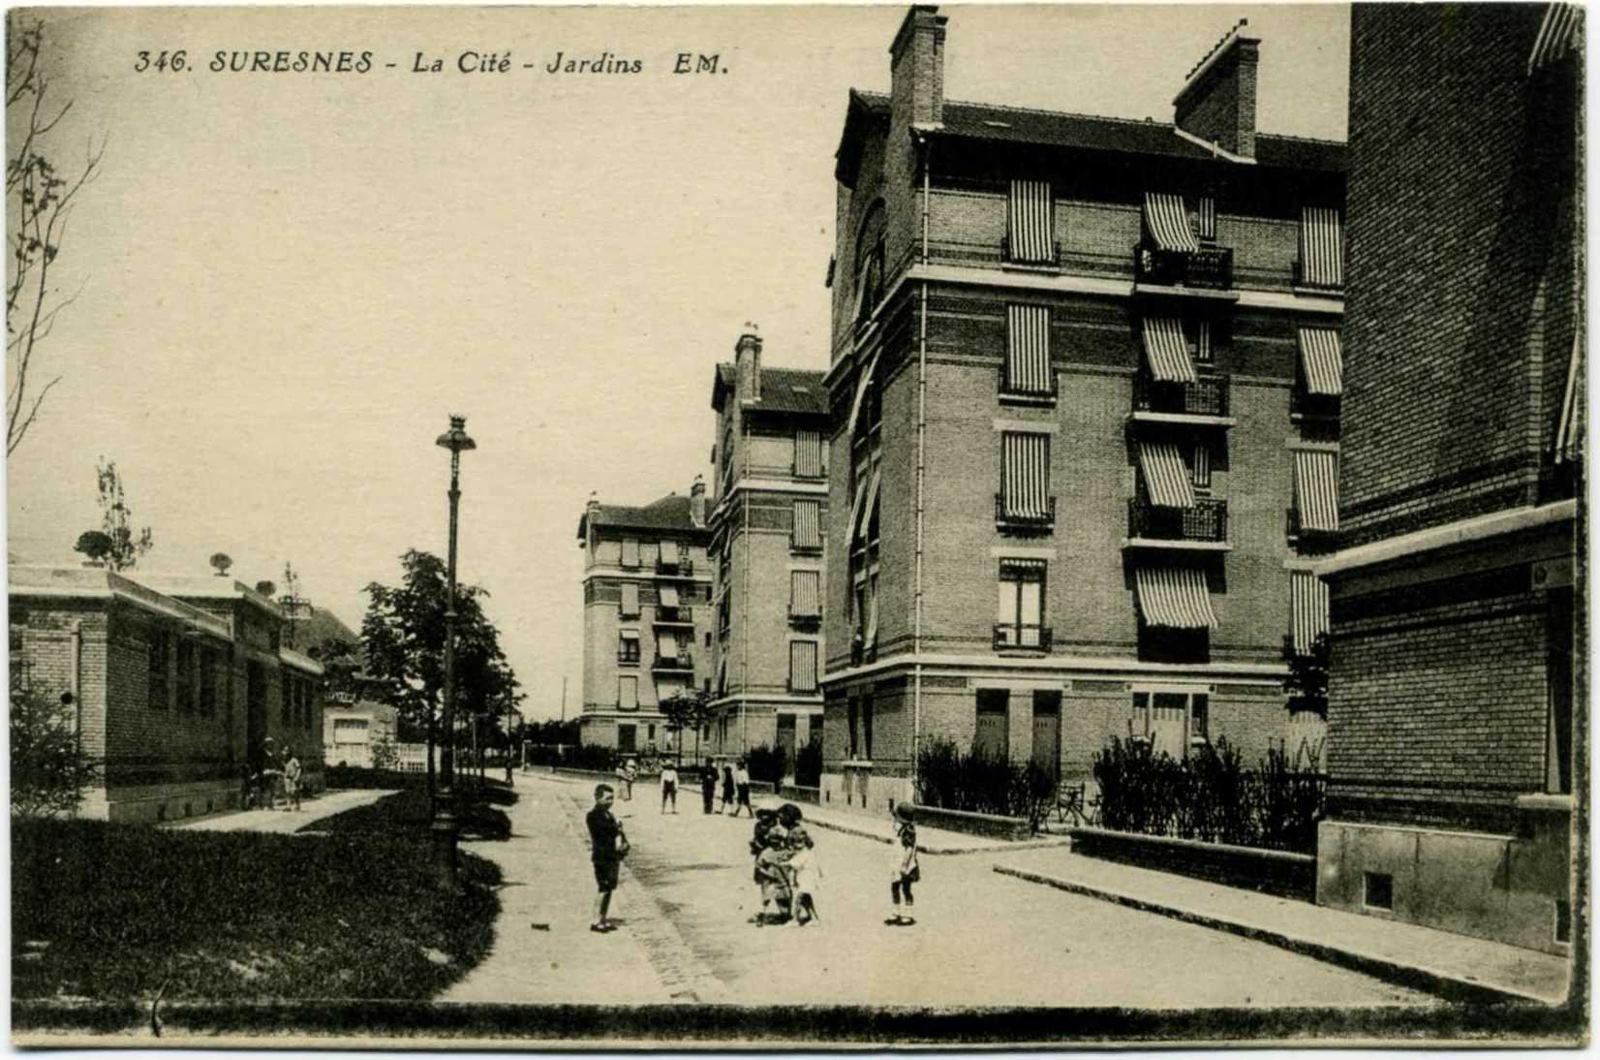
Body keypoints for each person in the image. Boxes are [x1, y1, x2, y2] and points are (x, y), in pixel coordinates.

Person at [586, 784, 628, 933]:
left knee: (609, 888)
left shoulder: (608, 814)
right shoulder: (593, 815)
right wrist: (617, 827)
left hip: (611, 856)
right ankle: (595, 920)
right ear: (598, 798)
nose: (611, 801)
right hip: (602, 856)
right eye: (607, 798)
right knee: (603, 888)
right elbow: (603, 832)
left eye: (612, 798)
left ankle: (603, 918)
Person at [887, 804, 919, 926]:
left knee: (906, 889)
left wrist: (904, 865)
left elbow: (909, 849)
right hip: (896, 863)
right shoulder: (900, 828)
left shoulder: (909, 831)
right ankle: (896, 912)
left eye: (897, 816)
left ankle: (908, 914)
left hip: (906, 865)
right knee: (894, 887)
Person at [283, 747, 303, 812]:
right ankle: (288, 806)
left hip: (294, 778)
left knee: (294, 792)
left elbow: (299, 768)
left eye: (287, 752)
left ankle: (297, 805)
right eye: (285, 752)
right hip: (287, 778)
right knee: (287, 792)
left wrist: (297, 776)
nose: (285, 753)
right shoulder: (285, 761)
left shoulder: (294, 760)